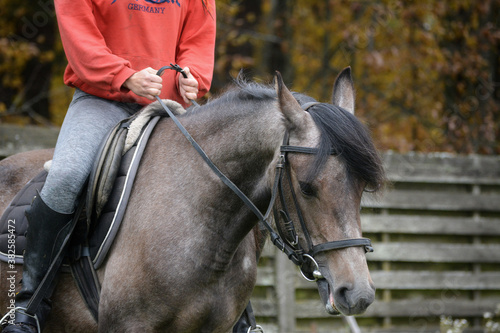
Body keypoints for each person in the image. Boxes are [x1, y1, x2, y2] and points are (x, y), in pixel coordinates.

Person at [3, 0, 216, 332]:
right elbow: (81, 41)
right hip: (102, 100)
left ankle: (239, 317)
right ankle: (29, 304)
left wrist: (194, 78)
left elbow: (197, 42)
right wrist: (125, 76)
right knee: (66, 175)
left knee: (223, 176)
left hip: (172, 104)